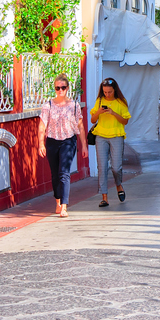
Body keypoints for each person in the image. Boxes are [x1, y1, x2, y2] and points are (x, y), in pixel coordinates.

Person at [38, 73, 87, 218]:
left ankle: (64, 206)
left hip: (68, 140)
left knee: (64, 172)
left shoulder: (74, 105)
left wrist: (84, 145)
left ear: (67, 88)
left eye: (63, 88)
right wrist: (41, 143)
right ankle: (58, 200)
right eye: (57, 88)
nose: (60, 91)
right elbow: (42, 126)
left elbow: (80, 126)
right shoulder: (48, 105)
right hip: (52, 141)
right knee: (55, 174)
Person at [90, 77, 131, 207]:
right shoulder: (99, 101)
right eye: (105, 92)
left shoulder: (121, 102)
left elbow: (125, 121)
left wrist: (113, 113)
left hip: (116, 135)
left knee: (116, 167)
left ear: (115, 90)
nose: (107, 94)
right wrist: (98, 112)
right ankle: (104, 197)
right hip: (101, 136)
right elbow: (92, 120)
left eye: (109, 92)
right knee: (102, 167)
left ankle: (118, 184)